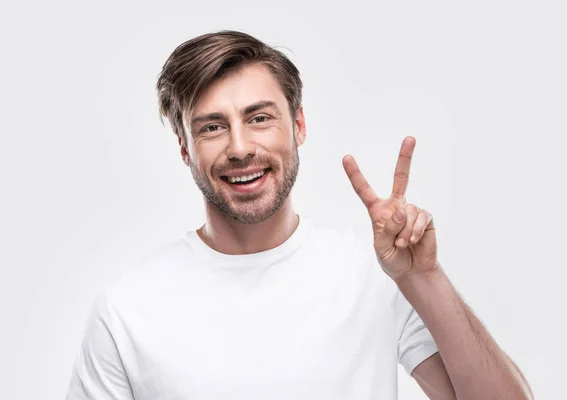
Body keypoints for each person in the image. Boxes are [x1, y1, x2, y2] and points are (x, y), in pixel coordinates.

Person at [66, 30, 533, 399]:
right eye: (212, 127)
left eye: (259, 118)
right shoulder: (127, 311)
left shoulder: (374, 279)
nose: (241, 147)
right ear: (185, 149)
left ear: (299, 125)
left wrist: (424, 277)